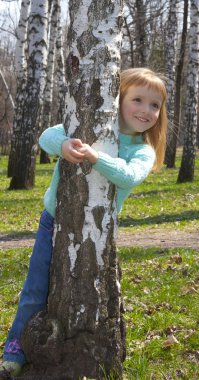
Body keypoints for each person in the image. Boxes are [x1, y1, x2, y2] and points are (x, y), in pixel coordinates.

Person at [0, 68, 167, 378]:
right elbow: (47, 136)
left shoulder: (142, 150)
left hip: (96, 234)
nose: (146, 110)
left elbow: (128, 175)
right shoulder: (91, 127)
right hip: (53, 221)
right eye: (138, 100)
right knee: (35, 290)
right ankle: (14, 352)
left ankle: (90, 349)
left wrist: (95, 157)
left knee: (85, 292)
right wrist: (64, 146)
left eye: (154, 105)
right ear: (118, 101)